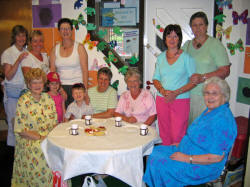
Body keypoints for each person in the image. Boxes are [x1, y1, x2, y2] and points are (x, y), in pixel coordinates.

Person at [143, 77, 237, 187]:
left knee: (160, 164)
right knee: (153, 152)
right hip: (187, 152)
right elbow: (198, 136)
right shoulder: (211, 111)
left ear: (224, 96)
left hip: (202, 165)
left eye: (214, 93)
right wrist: (182, 144)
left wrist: (187, 158)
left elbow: (216, 157)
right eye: (207, 93)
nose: (210, 97)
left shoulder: (223, 120)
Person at [182, 11, 230, 124]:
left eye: (201, 24)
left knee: (203, 132)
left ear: (207, 26)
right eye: (194, 25)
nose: (197, 28)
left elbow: (225, 71)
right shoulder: (187, 45)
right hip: (187, 95)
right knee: (189, 131)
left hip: (207, 97)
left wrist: (203, 77)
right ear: (191, 27)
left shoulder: (215, 45)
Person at [12, 68, 57, 186]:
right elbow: (21, 130)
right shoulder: (23, 101)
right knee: (42, 152)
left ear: (44, 83)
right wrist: (41, 138)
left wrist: (53, 137)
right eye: (34, 82)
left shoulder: (48, 98)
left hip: (48, 137)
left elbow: (54, 123)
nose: (37, 85)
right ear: (28, 84)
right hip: (30, 139)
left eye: (40, 82)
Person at [153, 24, 196, 145]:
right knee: (164, 132)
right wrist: (162, 90)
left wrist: (175, 93)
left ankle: (177, 160)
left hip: (180, 101)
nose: (172, 39)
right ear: (165, 39)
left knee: (178, 134)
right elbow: (156, 78)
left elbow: (194, 82)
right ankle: (167, 159)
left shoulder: (187, 58)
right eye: (169, 36)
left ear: (179, 39)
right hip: (162, 99)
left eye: (175, 36)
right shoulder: (160, 58)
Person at [49, 18, 88, 107]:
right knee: (62, 117)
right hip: (60, 88)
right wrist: (60, 89)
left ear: (72, 30)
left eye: (67, 28)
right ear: (59, 31)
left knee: (77, 118)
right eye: (62, 29)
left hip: (77, 88)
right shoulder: (54, 49)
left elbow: (85, 71)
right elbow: (52, 72)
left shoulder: (79, 47)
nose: (65, 31)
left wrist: (85, 92)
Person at [1, 25, 28, 146]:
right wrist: (18, 60)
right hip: (13, 95)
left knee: (25, 124)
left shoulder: (27, 51)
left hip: (25, 93)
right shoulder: (8, 53)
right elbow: (8, 76)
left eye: (23, 35)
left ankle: (23, 153)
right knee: (13, 126)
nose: (21, 38)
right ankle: (12, 156)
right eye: (19, 35)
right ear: (14, 37)